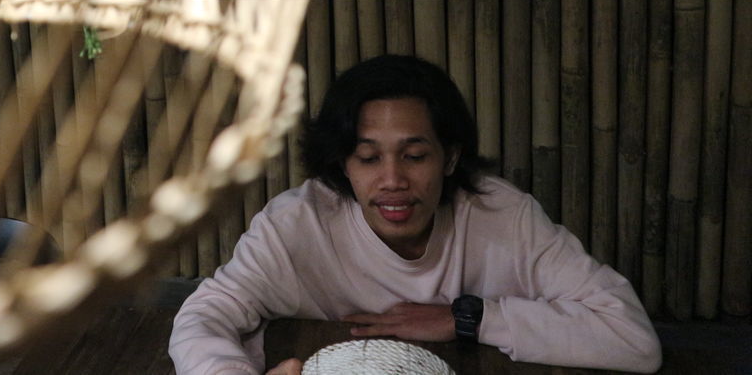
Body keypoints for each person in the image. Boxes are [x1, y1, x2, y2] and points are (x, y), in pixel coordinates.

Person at [169, 54, 662, 374]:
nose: (392, 180)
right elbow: (202, 316)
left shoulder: (503, 216)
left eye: (415, 154)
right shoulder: (297, 226)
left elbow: (632, 338)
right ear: (343, 162)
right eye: (367, 157)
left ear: (449, 157)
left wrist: (467, 318)